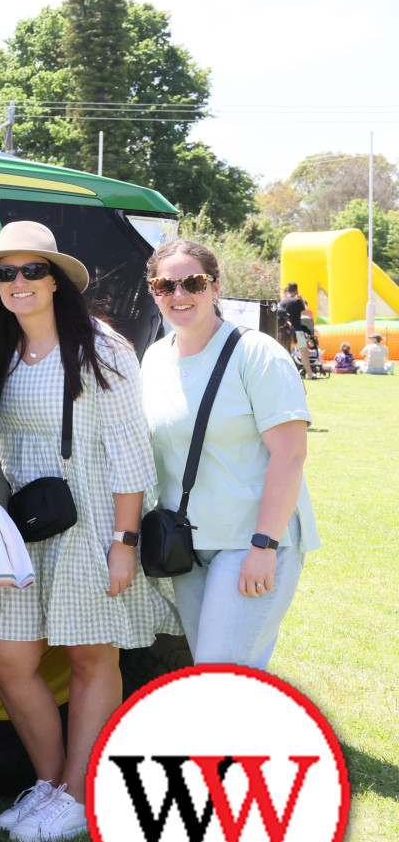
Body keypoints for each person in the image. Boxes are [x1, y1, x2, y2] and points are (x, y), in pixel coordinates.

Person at [0, 223, 176, 842]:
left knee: (91, 656)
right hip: (23, 524)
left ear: (56, 279)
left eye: (32, 271)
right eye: (7, 273)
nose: (19, 283)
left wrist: (125, 541)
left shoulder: (99, 347)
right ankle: (54, 785)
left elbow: (131, 451)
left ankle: (79, 797)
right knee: (7, 656)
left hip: (92, 519)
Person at [140, 239, 317, 669]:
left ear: (215, 287)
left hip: (250, 538)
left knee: (221, 674)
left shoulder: (257, 354)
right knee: (212, 671)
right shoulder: (154, 359)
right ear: (153, 292)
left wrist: (264, 546)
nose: (179, 295)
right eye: (166, 286)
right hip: (187, 545)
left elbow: (290, 455)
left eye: (193, 283)